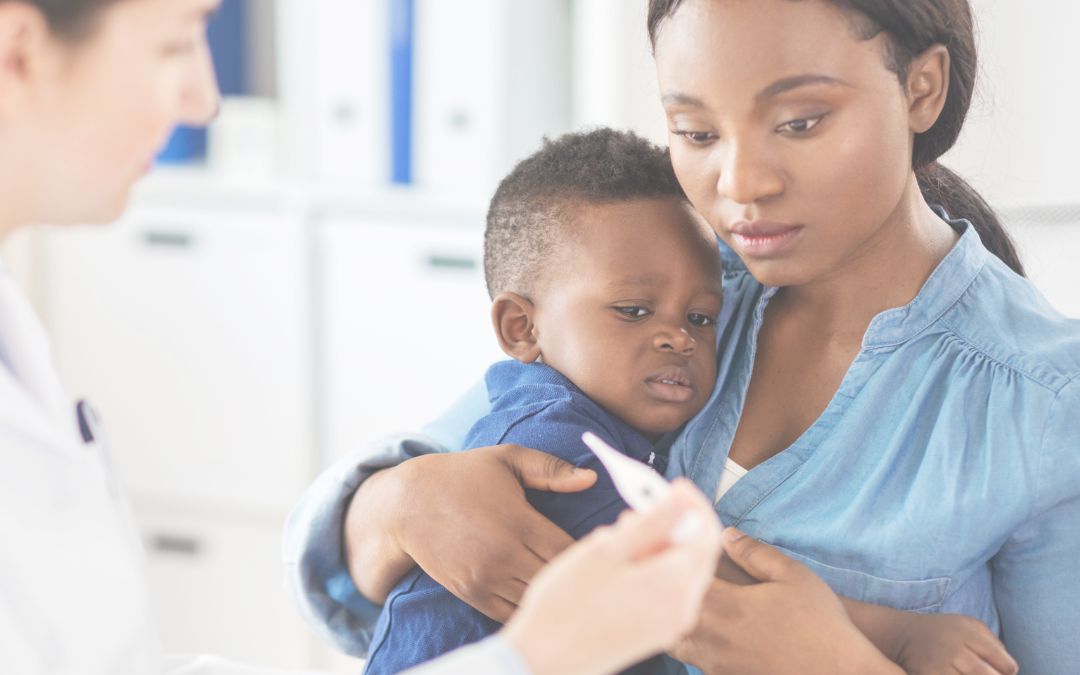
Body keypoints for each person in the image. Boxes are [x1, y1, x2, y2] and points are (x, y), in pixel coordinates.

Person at [283, 1, 1080, 674]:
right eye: (696, 133)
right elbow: (359, 564)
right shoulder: (664, 286)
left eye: (799, 121)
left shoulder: (1047, 404)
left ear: (921, 88)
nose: (740, 185)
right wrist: (395, 503)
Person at [0, 1, 730, 674]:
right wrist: (536, 650)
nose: (206, 98)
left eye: (701, 316)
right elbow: (337, 545)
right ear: (19, 48)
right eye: (173, 43)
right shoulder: (557, 435)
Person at [360, 127, 1015, 675]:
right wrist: (897, 634)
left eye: (702, 318)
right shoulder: (556, 446)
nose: (676, 335)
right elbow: (697, 585)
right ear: (521, 328)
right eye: (634, 310)